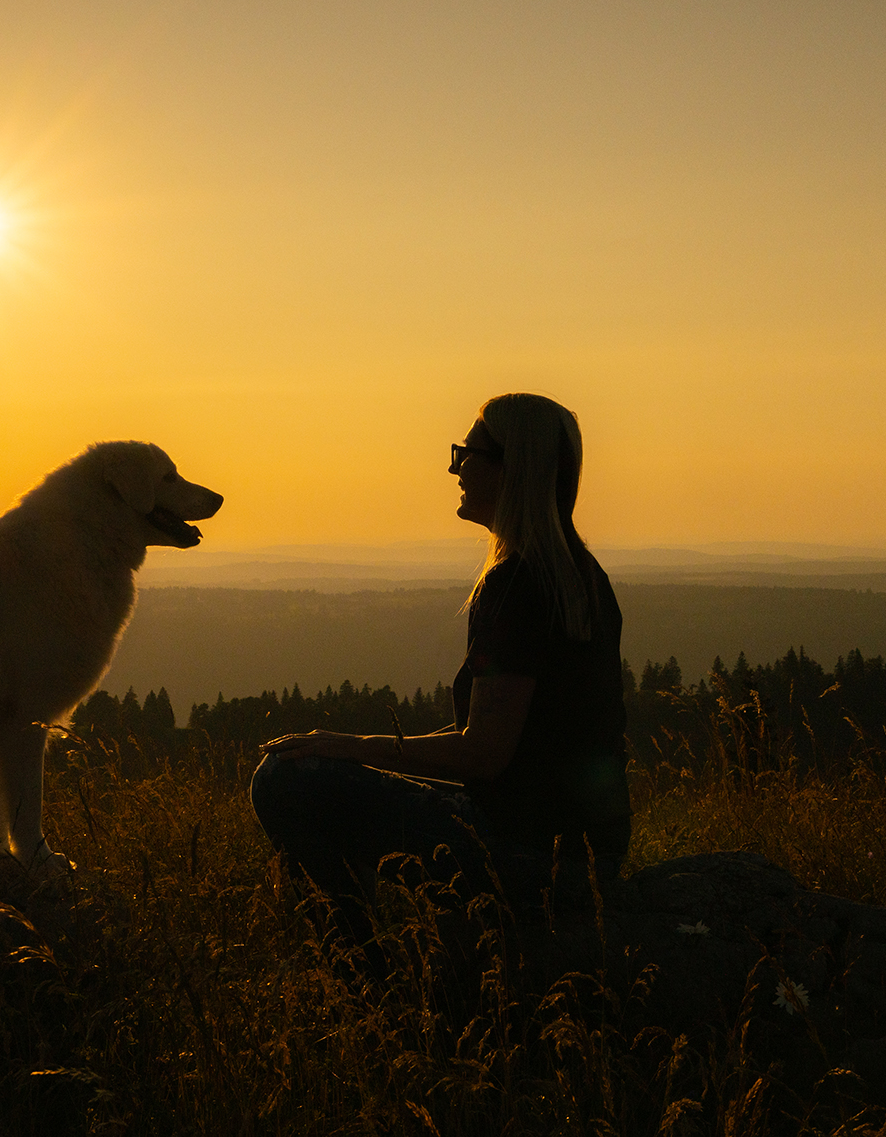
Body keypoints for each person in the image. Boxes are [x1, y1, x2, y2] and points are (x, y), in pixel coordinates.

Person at [250, 393, 630, 947]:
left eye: (466, 454)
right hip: (586, 857)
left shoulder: (516, 585)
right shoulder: (582, 578)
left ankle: (363, 969)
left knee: (284, 778)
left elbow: (484, 755)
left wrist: (348, 746)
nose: (455, 469)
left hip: (525, 858)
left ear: (508, 469)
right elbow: (510, 749)